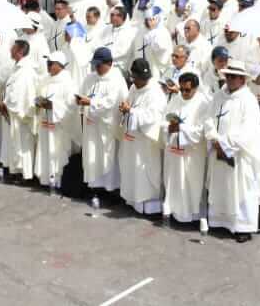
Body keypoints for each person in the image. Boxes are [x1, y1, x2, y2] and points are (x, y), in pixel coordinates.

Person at [204, 58, 260, 243]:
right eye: (229, 76)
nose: (231, 79)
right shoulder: (219, 96)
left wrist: (224, 143)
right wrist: (213, 138)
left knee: (241, 190)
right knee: (221, 187)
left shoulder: (248, 101)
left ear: (243, 80)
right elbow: (208, 118)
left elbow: (249, 132)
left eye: (235, 77)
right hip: (218, 150)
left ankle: (242, 227)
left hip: (239, 155)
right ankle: (219, 221)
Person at [77, 47, 128, 198]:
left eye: (99, 65)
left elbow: (111, 103)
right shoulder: (90, 78)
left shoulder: (116, 79)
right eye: (95, 65)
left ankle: (110, 191)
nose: (96, 68)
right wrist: (80, 101)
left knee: (107, 157)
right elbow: (82, 94)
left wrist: (90, 102)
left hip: (107, 127)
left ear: (109, 63)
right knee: (92, 154)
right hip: (91, 125)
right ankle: (94, 188)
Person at [117, 58, 166, 215]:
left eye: (142, 79)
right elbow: (128, 104)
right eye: (137, 79)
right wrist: (125, 109)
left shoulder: (155, 92)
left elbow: (153, 117)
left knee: (144, 171)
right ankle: (132, 201)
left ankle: (148, 207)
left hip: (145, 142)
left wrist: (130, 111)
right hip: (131, 138)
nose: (138, 82)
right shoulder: (133, 88)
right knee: (130, 167)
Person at [162, 71, 211, 224]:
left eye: (187, 90)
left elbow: (201, 131)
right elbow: (163, 120)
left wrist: (181, 129)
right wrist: (168, 129)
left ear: (196, 88)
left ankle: (193, 216)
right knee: (174, 181)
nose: (183, 93)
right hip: (173, 152)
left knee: (191, 183)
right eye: (181, 89)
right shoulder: (176, 100)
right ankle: (174, 212)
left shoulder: (203, 104)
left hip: (192, 154)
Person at [33, 51, 80, 191]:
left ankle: (58, 180)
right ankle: (45, 178)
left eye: (50, 63)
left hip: (59, 127)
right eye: (47, 63)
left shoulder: (68, 82)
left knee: (56, 152)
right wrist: (38, 102)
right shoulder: (46, 79)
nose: (47, 66)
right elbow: (38, 94)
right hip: (45, 123)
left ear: (59, 65)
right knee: (45, 149)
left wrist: (53, 105)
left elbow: (71, 106)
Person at [0, 38, 38, 180]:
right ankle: (15, 172)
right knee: (14, 144)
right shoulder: (17, 67)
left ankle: (24, 175)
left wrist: (6, 104)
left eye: (13, 48)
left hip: (20, 115)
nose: (10, 50)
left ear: (20, 51)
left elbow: (21, 95)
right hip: (12, 113)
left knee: (22, 145)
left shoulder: (26, 70)